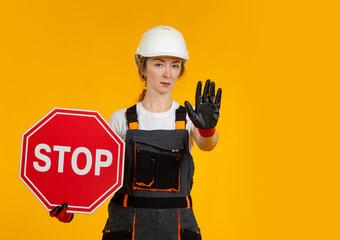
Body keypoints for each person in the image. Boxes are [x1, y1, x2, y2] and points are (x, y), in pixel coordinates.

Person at [51, 25, 222, 240]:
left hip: (177, 230)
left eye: (175, 65)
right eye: (158, 64)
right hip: (126, 229)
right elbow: (94, 170)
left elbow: (208, 145)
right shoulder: (121, 120)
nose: (167, 73)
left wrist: (207, 129)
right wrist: (72, 206)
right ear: (142, 68)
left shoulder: (188, 118)